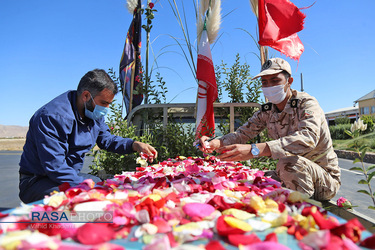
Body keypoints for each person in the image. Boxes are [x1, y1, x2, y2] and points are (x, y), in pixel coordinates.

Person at [197, 58, 340, 201]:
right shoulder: (268, 111)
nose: (269, 86)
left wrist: (255, 150)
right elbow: (242, 134)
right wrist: (216, 143)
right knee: (253, 179)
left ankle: (301, 209)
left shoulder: (306, 104)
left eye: (275, 80)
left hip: (324, 180)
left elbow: (308, 138)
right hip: (293, 173)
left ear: (289, 82)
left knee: (287, 164)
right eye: (264, 82)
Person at [19, 69, 157, 203]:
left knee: (102, 186)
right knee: (91, 198)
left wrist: (133, 145)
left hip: (67, 176)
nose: (106, 109)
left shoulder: (92, 112)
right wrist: (89, 188)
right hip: (38, 181)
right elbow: (56, 166)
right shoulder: (53, 117)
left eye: (109, 103)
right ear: (86, 96)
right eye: (104, 103)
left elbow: (106, 140)